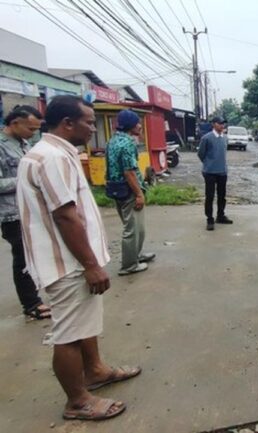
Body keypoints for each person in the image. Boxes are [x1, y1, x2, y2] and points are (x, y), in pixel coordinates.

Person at [16, 95, 140, 421]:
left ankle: (95, 370)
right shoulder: (51, 158)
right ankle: (77, 401)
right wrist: (90, 264)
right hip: (68, 263)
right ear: (67, 123)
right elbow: (65, 216)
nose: (93, 128)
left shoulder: (53, 153)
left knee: (84, 324)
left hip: (72, 260)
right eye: (88, 122)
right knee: (69, 333)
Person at [1, 105, 51, 320]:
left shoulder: (23, 144)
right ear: (15, 123)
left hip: (31, 209)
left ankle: (35, 295)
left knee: (34, 254)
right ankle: (31, 303)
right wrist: (27, 178)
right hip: (12, 213)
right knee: (22, 257)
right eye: (31, 129)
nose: (33, 133)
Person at [106, 110, 155, 276]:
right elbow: (129, 172)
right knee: (132, 229)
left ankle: (136, 255)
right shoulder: (127, 143)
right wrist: (139, 194)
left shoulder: (112, 140)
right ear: (130, 125)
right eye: (137, 123)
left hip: (116, 189)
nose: (140, 126)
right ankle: (129, 265)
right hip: (129, 191)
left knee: (137, 228)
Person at [197, 116, 232, 231]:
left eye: (223, 123)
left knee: (222, 196)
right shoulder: (206, 138)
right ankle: (210, 219)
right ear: (213, 124)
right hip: (210, 172)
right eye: (220, 123)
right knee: (210, 196)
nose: (222, 125)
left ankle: (220, 215)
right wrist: (208, 163)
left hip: (222, 171)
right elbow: (201, 154)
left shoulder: (224, 138)